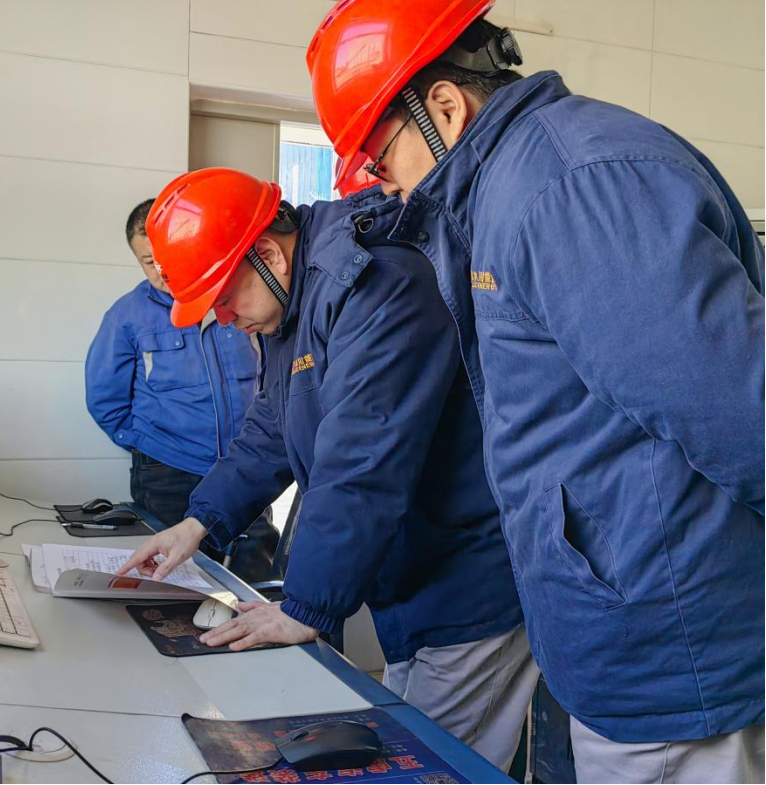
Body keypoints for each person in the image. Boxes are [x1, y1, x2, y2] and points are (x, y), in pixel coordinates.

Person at [307, 2, 765, 782]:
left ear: (443, 107)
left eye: (381, 162)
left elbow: (735, 408)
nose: (387, 189)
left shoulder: (567, 186)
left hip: (670, 645)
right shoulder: (509, 187)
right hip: (621, 622)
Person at [120, 168, 537, 770]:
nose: (226, 320)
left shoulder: (379, 283)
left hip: (468, 580)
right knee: (410, 741)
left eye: (225, 299)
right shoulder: (296, 302)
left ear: (268, 255)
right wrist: (198, 522)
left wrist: (305, 606)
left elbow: (361, 458)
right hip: (413, 574)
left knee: (438, 765)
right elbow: (271, 425)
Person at [85, 200, 278, 581]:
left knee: (255, 579)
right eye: (148, 261)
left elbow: (270, 379)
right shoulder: (127, 315)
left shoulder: (239, 299)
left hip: (242, 468)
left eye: (167, 256)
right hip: (168, 474)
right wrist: (149, 446)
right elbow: (104, 400)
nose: (162, 270)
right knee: (172, 582)